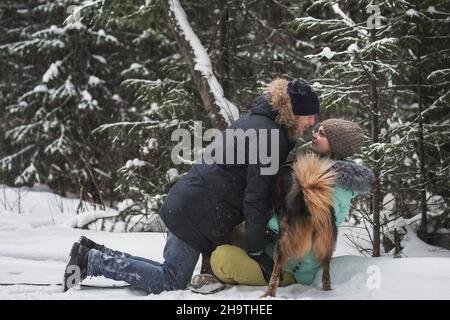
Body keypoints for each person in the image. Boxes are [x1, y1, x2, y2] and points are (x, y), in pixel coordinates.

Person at [62, 78, 321, 293]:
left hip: (191, 203)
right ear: (293, 112)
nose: (312, 122)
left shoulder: (259, 122)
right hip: (197, 212)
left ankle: (93, 253)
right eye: (309, 115)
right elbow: (256, 196)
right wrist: (255, 250)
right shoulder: (269, 134)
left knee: (170, 271)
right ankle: (91, 261)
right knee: (171, 280)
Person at [203, 119, 374, 291]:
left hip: (291, 268)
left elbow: (302, 231)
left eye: (322, 134)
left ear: (337, 146)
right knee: (228, 229)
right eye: (317, 130)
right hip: (274, 248)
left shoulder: (335, 189)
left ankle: (233, 276)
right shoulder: (313, 168)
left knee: (222, 258)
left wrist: (265, 214)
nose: (314, 135)